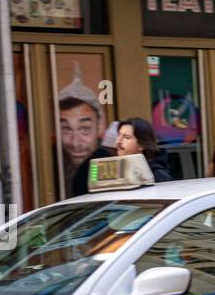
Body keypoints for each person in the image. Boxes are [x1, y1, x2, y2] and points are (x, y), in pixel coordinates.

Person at [58, 65, 110, 197]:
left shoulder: (107, 165)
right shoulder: (51, 168)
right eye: (66, 129)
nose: (75, 143)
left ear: (101, 125)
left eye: (85, 129)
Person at [115, 117, 172, 182]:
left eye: (126, 137)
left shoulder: (157, 176)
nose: (118, 141)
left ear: (142, 144)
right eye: (118, 135)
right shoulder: (117, 172)